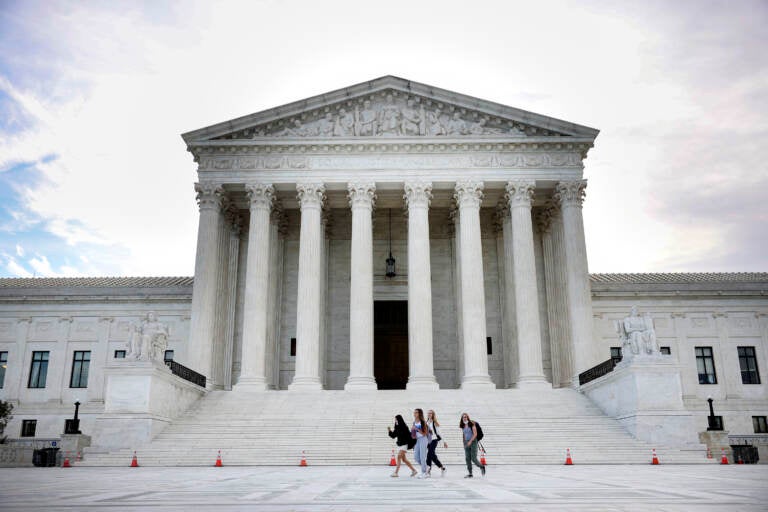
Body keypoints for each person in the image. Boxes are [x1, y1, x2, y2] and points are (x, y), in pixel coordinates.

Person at [460, 412, 485, 478]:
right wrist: (464, 442)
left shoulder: (472, 424)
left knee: (473, 458)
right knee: (467, 458)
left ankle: (481, 466)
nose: (464, 418)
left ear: (468, 417)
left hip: (473, 442)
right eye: (463, 417)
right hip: (466, 442)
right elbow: (464, 434)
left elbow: (475, 434)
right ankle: (470, 473)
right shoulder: (463, 425)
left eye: (465, 417)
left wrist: (470, 441)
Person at [426, 409, 447, 477]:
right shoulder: (426, 422)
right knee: (431, 456)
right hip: (428, 441)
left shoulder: (435, 423)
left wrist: (444, 442)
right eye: (428, 413)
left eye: (431, 413)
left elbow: (440, 433)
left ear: (433, 415)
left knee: (430, 454)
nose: (429, 414)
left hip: (434, 440)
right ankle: (442, 468)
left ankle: (428, 470)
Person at [412, 408, 429, 478]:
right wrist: (413, 434)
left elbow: (425, 433)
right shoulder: (414, 422)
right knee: (416, 457)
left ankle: (424, 472)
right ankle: (426, 467)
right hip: (417, 440)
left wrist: (417, 429)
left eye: (416, 412)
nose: (414, 413)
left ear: (419, 414)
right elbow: (413, 432)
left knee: (422, 456)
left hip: (423, 439)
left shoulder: (423, 422)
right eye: (414, 412)